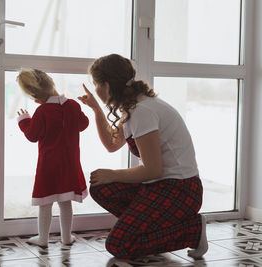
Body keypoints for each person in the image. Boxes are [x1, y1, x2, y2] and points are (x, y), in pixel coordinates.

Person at [78, 54, 208, 259]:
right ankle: (145, 228)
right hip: (160, 186)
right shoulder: (133, 106)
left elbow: (152, 169)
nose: (95, 89)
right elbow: (112, 144)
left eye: (95, 84)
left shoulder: (142, 110)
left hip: (181, 190)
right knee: (100, 187)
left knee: (118, 245)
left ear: (108, 84)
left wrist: (113, 174)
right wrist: (96, 108)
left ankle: (193, 230)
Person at [16, 68, 89, 247]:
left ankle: (43, 239)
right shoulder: (73, 105)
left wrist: (25, 120)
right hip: (70, 164)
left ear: (36, 99)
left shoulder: (42, 111)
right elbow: (83, 124)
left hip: (49, 164)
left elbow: (32, 136)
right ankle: (66, 237)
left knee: (46, 203)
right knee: (65, 202)